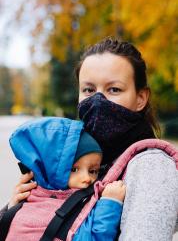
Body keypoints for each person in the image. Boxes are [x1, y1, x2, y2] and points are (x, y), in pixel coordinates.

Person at [2, 37, 178, 240]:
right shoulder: (78, 155)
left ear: (140, 99)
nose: (98, 100)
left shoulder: (151, 166)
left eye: (114, 89)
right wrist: (15, 210)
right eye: (89, 90)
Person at [3, 117, 126, 241]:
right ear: (49, 169)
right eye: (74, 169)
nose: (87, 178)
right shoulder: (34, 210)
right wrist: (110, 203)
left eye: (93, 171)